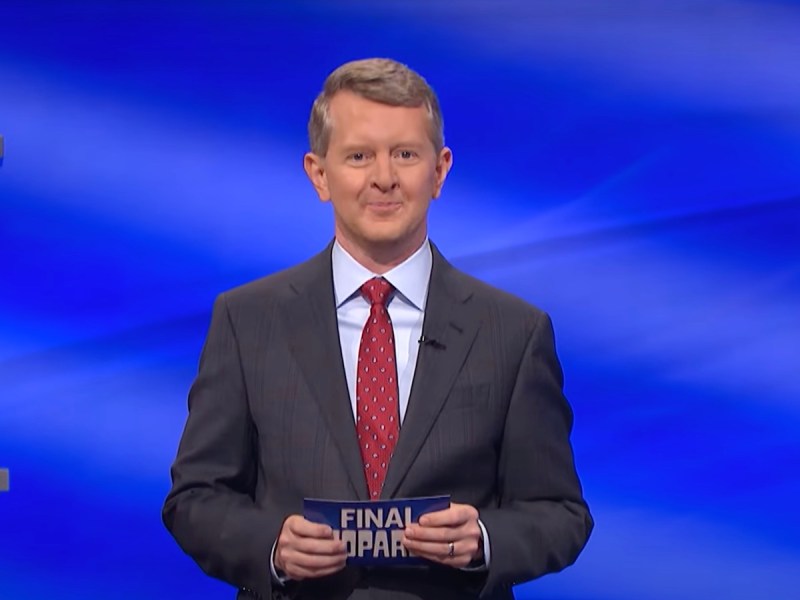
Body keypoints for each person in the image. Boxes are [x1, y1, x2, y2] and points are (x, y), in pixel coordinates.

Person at [163, 57, 592, 600]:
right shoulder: (248, 321)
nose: (384, 178)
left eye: (405, 154)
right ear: (319, 175)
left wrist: (484, 538)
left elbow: (561, 513)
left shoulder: (513, 330)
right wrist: (271, 546)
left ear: (439, 171)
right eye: (359, 156)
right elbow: (195, 497)